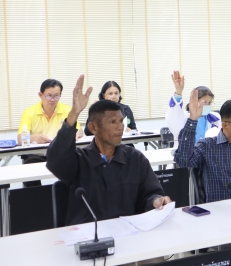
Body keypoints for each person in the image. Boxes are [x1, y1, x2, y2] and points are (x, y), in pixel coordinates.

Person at [46, 75, 171, 225]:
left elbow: (150, 194)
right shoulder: (80, 160)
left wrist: (156, 200)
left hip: (128, 231)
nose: (120, 127)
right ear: (93, 128)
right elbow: (55, 160)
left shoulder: (135, 159)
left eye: (121, 121)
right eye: (113, 122)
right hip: (88, 233)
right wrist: (74, 113)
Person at [18, 79, 82, 145]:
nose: (52, 100)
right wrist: (33, 138)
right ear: (40, 95)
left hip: (61, 149)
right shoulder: (29, 112)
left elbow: (79, 130)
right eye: (49, 96)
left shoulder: (68, 110)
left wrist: (76, 133)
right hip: (38, 150)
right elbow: (20, 138)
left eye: (56, 96)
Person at [166, 71, 221, 141]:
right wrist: (178, 92)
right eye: (205, 102)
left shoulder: (215, 118)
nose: (208, 105)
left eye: (210, 102)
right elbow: (174, 117)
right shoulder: (183, 117)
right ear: (194, 102)